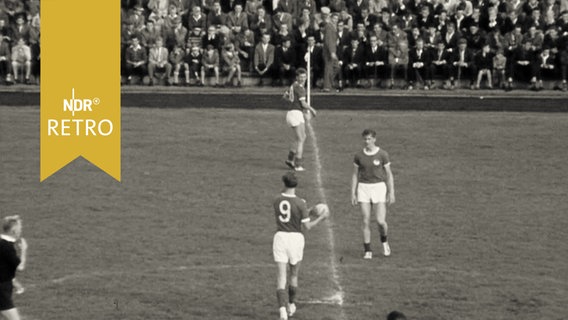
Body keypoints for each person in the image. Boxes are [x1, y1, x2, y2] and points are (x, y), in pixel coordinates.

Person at [272, 172, 328, 320]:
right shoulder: (300, 203)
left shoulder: (276, 199)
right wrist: (321, 217)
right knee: (294, 274)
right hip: (296, 239)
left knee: (281, 277)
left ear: (284, 183)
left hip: (280, 237)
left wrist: (307, 211)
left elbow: (289, 212)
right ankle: (291, 304)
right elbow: (307, 226)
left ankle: (282, 311)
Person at [351, 129, 395, 259]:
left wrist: (391, 192)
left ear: (374, 139)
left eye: (369, 139)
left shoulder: (382, 154)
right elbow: (354, 175)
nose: (367, 141)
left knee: (380, 221)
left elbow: (389, 174)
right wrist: (353, 193)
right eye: (365, 139)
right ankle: (368, 250)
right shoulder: (359, 155)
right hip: (363, 188)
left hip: (378, 187)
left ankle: (384, 241)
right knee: (365, 220)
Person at [283, 68, 317, 172]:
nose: (303, 79)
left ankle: (290, 159)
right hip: (296, 114)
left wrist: (293, 101)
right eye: (300, 77)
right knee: (301, 139)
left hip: (291, 113)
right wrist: (312, 110)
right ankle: (298, 165)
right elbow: (303, 104)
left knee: (299, 138)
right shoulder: (301, 89)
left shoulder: (293, 85)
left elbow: (285, 96)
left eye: (304, 77)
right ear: (297, 77)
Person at [1, 215, 28, 320]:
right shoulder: (7, 247)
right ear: (13, 230)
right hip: (2, 291)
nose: (21, 230)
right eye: (19, 228)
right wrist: (24, 250)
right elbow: (20, 267)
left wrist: (13, 281)